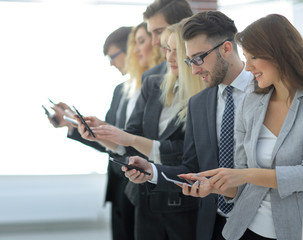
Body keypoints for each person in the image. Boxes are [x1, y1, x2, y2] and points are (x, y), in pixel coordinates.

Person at [121, 11, 255, 240]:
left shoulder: (266, 91)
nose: (193, 70)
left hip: (259, 224)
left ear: (226, 49)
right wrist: (150, 170)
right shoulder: (199, 103)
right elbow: (191, 167)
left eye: (198, 58)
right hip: (213, 225)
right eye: (189, 60)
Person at [77, 21, 205, 240]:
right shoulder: (152, 85)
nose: (170, 58)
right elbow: (129, 141)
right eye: (168, 50)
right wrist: (102, 135)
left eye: (177, 51)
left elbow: (190, 154)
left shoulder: (204, 94)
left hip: (184, 206)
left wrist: (130, 138)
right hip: (144, 200)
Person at [179, 14, 303, 240]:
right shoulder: (252, 103)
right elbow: (241, 181)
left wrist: (246, 175)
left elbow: (247, 173)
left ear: (279, 52)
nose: (248, 67)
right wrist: (217, 186)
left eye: (253, 57)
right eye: (246, 58)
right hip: (247, 228)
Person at [47, 23, 163, 240]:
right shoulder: (120, 90)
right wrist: (72, 123)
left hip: (145, 180)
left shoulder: (156, 87)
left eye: (113, 56)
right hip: (118, 183)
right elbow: (109, 141)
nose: (111, 63)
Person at [140, 0, 194, 81]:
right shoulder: (150, 79)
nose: (154, 42)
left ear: (182, 26)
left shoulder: (210, 73)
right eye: (151, 34)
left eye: (159, 32)